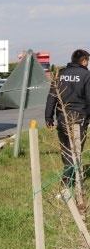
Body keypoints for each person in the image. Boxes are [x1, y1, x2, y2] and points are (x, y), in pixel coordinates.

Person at [45, 49, 90, 186]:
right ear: (83, 61)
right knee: (76, 151)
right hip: (79, 118)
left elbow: (52, 97)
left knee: (66, 149)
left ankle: (69, 180)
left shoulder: (60, 74)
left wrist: (48, 117)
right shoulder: (86, 75)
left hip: (62, 117)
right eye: (87, 61)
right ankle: (72, 182)